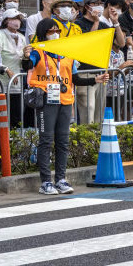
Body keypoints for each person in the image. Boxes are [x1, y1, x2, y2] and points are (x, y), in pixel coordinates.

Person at [29, 17, 108, 195]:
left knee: (63, 141)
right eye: (51, 31)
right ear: (43, 34)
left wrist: (95, 79)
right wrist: (27, 56)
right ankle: (46, 182)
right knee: (46, 141)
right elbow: (27, 64)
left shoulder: (67, 54)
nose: (55, 34)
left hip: (65, 100)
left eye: (57, 31)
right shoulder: (37, 52)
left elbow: (75, 78)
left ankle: (61, 179)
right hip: (46, 100)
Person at [0, 6, 30, 126]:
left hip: (16, 83)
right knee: (2, 114)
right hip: (0, 82)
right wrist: (6, 70)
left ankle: (14, 141)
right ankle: (1, 141)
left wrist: (26, 56)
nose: (17, 21)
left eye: (19, 19)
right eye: (14, 18)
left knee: (16, 115)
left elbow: (23, 60)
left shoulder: (22, 38)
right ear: (6, 20)